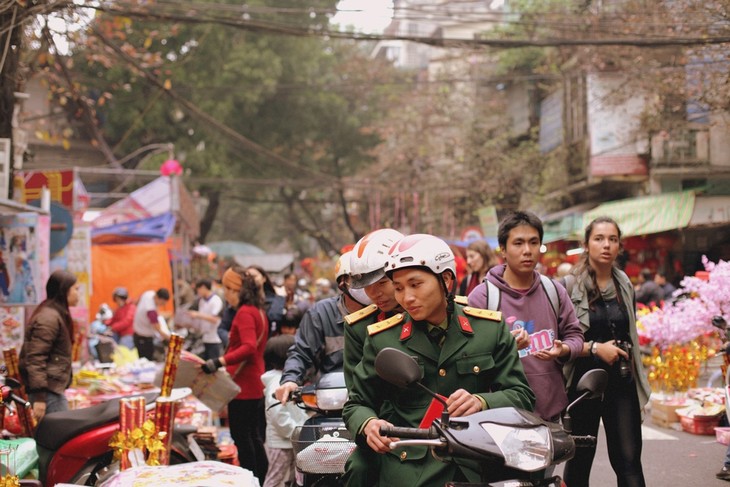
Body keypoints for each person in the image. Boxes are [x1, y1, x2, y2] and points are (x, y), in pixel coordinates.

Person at [343, 234, 535, 486]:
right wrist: (368, 424)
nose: (406, 297)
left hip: (477, 459)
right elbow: (356, 405)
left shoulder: (490, 328)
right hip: (409, 463)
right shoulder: (382, 339)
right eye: (399, 288)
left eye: (416, 284)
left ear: (445, 279)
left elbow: (522, 396)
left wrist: (481, 401)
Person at [467, 211, 584, 423]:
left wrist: (564, 349)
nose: (527, 251)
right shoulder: (482, 297)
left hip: (550, 413)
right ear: (503, 249)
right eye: (518, 243)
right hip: (500, 416)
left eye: (533, 242)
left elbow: (575, 335)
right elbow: (468, 356)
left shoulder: (554, 291)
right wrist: (505, 347)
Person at [561, 217, 650, 487]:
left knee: (629, 462)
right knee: (579, 461)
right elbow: (561, 341)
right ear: (586, 244)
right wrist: (596, 349)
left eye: (612, 239)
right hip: (582, 384)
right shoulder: (567, 286)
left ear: (619, 246)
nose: (606, 245)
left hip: (621, 382)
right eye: (599, 238)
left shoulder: (625, 285)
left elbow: (630, 331)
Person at [200, 267, 268, 482]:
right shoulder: (257, 311)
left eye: (227, 289)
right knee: (254, 436)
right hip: (253, 383)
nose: (225, 294)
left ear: (236, 290)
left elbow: (248, 347)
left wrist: (219, 361)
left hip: (244, 386)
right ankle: (260, 478)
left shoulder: (245, 312)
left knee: (242, 436)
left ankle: (250, 478)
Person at [274, 251, 368, 404]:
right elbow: (301, 351)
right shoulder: (320, 313)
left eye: (371, 277)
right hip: (331, 398)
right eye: (357, 279)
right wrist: (290, 380)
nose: (366, 284)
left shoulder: (387, 311)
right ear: (342, 282)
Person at [19, 270, 80, 420]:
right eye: (76, 289)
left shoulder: (56, 313)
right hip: (47, 392)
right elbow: (35, 358)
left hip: (51, 388)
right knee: (58, 437)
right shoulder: (48, 318)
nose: (78, 294)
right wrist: (40, 397)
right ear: (64, 290)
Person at [262, 334, 309, 487]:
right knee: (275, 478)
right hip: (281, 442)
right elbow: (278, 414)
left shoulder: (285, 380)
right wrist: (295, 432)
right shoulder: (277, 382)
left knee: (291, 478)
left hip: (289, 440)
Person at [187, 279, 224, 360]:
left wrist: (198, 315)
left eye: (198, 289)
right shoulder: (202, 301)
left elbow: (215, 319)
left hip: (215, 339)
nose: (198, 292)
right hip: (204, 338)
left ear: (204, 287)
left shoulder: (216, 300)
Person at [132, 288, 172, 361]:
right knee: (146, 361)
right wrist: (170, 339)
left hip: (138, 333)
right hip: (143, 339)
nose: (162, 305)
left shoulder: (149, 293)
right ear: (157, 297)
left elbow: (136, 301)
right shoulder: (150, 310)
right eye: (162, 303)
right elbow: (158, 329)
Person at [246, 265, 286, 337]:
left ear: (264, 278)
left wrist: (281, 298)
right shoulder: (241, 300)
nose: (250, 279)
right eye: (247, 277)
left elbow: (274, 316)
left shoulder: (276, 299)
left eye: (254, 276)